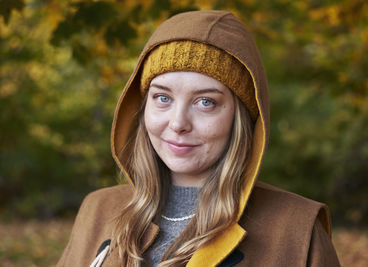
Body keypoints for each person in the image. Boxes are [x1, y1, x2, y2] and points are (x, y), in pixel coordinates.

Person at [57, 10, 340, 267]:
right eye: (163, 98)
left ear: (239, 119)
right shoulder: (97, 210)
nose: (178, 123)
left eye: (205, 102)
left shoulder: (298, 229)